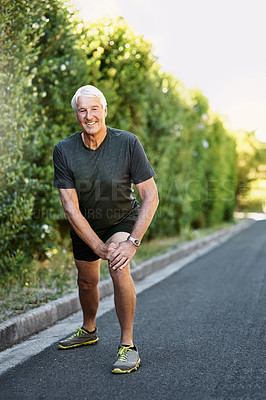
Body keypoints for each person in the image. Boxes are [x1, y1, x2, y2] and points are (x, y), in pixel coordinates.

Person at [53, 85, 159, 374]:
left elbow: (151, 196)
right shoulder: (63, 150)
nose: (89, 116)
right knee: (86, 282)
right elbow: (70, 207)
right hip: (84, 225)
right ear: (77, 115)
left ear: (105, 110)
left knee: (118, 265)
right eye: (83, 110)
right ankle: (89, 329)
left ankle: (128, 346)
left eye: (94, 109)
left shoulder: (127, 143)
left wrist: (132, 241)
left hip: (121, 220)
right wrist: (97, 247)